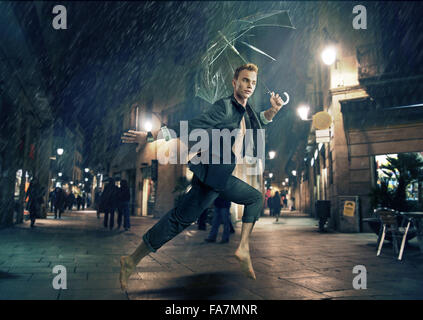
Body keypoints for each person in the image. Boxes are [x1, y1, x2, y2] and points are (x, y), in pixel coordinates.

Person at [119, 63, 286, 289]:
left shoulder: (243, 110)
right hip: (213, 176)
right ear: (234, 82)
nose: (250, 86)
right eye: (245, 80)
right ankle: (131, 261)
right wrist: (151, 135)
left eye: (254, 82)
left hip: (216, 174)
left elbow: (257, 120)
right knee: (181, 219)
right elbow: (191, 127)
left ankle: (131, 260)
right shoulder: (225, 107)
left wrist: (274, 110)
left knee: (247, 200)